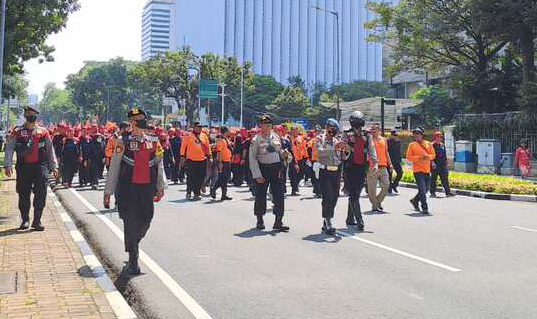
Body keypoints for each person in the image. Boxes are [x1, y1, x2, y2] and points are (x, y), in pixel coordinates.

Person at [104, 107, 166, 275]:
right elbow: (115, 166)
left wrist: (161, 186)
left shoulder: (154, 140)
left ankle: (134, 243)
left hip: (147, 188)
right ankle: (133, 259)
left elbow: (159, 164)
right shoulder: (122, 140)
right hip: (127, 188)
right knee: (130, 222)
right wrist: (108, 191)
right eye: (137, 120)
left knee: (146, 219)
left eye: (142, 119)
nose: (140, 123)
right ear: (131, 123)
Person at [3, 106, 58, 231]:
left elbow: (50, 150)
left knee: (41, 193)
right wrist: (8, 164)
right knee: (23, 194)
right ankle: (25, 220)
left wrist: (54, 166)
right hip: (23, 167)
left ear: (36, 115)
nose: (30, 115)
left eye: (32, 113)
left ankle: (37, 221)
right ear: (25, 115)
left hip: (40, 167)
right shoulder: (17, 131)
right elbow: (10, 148)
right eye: (28, 113)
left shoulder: (44, 132)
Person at [249, 115, 289, 231]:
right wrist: (257, 175)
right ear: (260, 126)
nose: (267, 126)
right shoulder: (255, 140)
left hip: (276, 169)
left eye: (269, 124)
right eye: (264, 124)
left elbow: (280, 151)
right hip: (263, 169)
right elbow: (252, 158)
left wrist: (285, 155)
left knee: (279, 195)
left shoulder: (276, 136)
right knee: (261, 195)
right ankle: (260, 220)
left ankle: (278, 221)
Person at [342, 111, 377, 231]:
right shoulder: (346, 134)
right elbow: (342, 150)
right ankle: (359, 220)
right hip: (349, 167)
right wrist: (346, 150)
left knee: (356, 193)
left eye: (359, 123)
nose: (358, 125)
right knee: (353, 193)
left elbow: (372, 150)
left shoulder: (367, 135)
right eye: (355, 122)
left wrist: (375, 163)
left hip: (362, 167)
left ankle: (349, 218)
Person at [315, 119, 347, 235]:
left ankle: (327, 217)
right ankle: (327, 220)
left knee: (335, 196)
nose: (332, 131)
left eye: (334, 130)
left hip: (336, 171)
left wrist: (345, 151)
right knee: (327, 196)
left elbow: (342, 156)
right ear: (327, 127)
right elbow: (320, 152)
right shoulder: (320, 139)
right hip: (325, 171)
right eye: (331, 128)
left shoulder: (337, 140)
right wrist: (334, 148)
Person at [407, 127, 436, 214]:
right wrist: (419, 158)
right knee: (422, 189)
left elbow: (433, 154)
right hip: (418, 170)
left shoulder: (428, 144)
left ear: (422, 135)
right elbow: (408, 157)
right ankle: (424, 207)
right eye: (415, 134)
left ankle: (415, 200)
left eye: (418, 134)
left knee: (426, 189)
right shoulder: (412, 145)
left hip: (427, 170)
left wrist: (429, 157)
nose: (416, 135)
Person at [180, 122, 212, 200]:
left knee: (201, 176)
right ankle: (190, 192)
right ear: (194, 127)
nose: (200, 128)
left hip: (202, 159)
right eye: (198, 127)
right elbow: (183, 146)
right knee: (191, 177)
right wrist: (182, 157)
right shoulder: (188, 135)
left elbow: (207, 147)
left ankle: (196, 192)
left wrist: (210, 156)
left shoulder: (204, 135)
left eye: (201, 127)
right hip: (191, 159)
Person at [366, 123, 392, 212]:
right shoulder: (368, 140)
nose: (372, 131)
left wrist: (390, 164)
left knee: (386, 185)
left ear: (379, 130)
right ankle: (374, 205)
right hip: (371, 167)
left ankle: (378, 201)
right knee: (372, 188)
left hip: (383, 166)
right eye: (371, 129)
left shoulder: (383, 140)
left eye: (374, 129)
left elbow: (386, 152)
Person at [211, 126, 233, 201]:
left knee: (225, 179)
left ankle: (224, 195)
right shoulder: (221, 140)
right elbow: (219, 152)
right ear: (226, 132)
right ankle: (213, 189)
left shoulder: (226, 140)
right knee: (222, 178)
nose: (229, 132)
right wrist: (220, 162)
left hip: (227, 161)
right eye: (228, 131)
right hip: (222, 161)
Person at [430, 131, 455, 197]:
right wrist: (432, 162)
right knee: (433, 179)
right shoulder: (432, 145)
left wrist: (446, 162)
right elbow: (430, 155)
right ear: (435, 137)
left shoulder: (442, 145)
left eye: (440, 136)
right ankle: (432, 193)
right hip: (435, 164)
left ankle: (448, 192)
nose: (439, 138)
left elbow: (444, 155)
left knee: (445, 179)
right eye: (438, 136)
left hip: (442, 164)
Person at [387, 129, 403, 194]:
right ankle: (389, 188)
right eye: (394, 135)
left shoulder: (398, 141)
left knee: (400, 173)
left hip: (396, 161)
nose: (395, 136)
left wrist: (400, 160)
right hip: (389, 160)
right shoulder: (387, 141)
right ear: (391, 135)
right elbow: (386, 151)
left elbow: (399, 151)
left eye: (396, 135)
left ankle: (394, 185)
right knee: (389, 175)